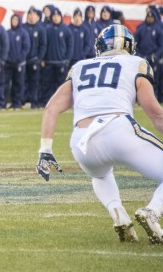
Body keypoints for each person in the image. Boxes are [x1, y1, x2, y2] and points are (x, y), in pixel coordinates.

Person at [37, 24, 163, 244]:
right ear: (129, 47)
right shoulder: (136, 63)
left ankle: (118, 213)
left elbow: (51, 107)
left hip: (81, 141)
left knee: (100, 174)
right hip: (118, 129)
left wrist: (45, 150)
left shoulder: (80, 67)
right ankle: (152, 211)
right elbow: (154, 112)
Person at [4, 14, 30, 110]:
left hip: (19, 64)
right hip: (8, 64)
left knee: (18, 84)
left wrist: (20, 58)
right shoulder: (8, 32)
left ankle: (17, 103)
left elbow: (26, 47)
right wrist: (6, 58)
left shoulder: (23, 33)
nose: (14, 21)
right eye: (13, 19)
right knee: (6, 84)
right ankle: (6, 103)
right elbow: (5, 46)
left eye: (16, 19)